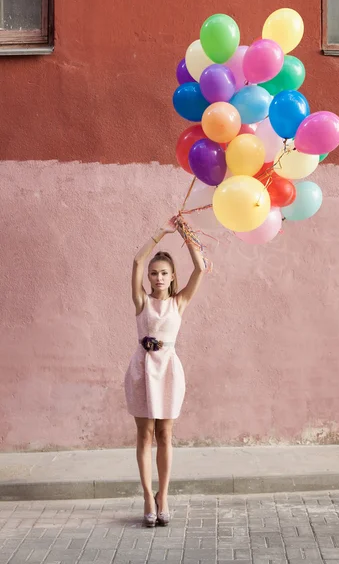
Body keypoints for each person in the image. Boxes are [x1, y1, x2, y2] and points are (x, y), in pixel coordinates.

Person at [125, 217, 206, 527]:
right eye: (154, 273)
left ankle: (164, 496)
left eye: (164, 273)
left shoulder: (179, 302)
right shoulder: (140, 301)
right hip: (141, 371)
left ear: (172, 277)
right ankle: (148, 496)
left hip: (169, 370)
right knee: (144, 435)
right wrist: (161, 233)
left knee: (165, 434)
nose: (158, 277)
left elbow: (200, 269)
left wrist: (186, 233)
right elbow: (136, 260)